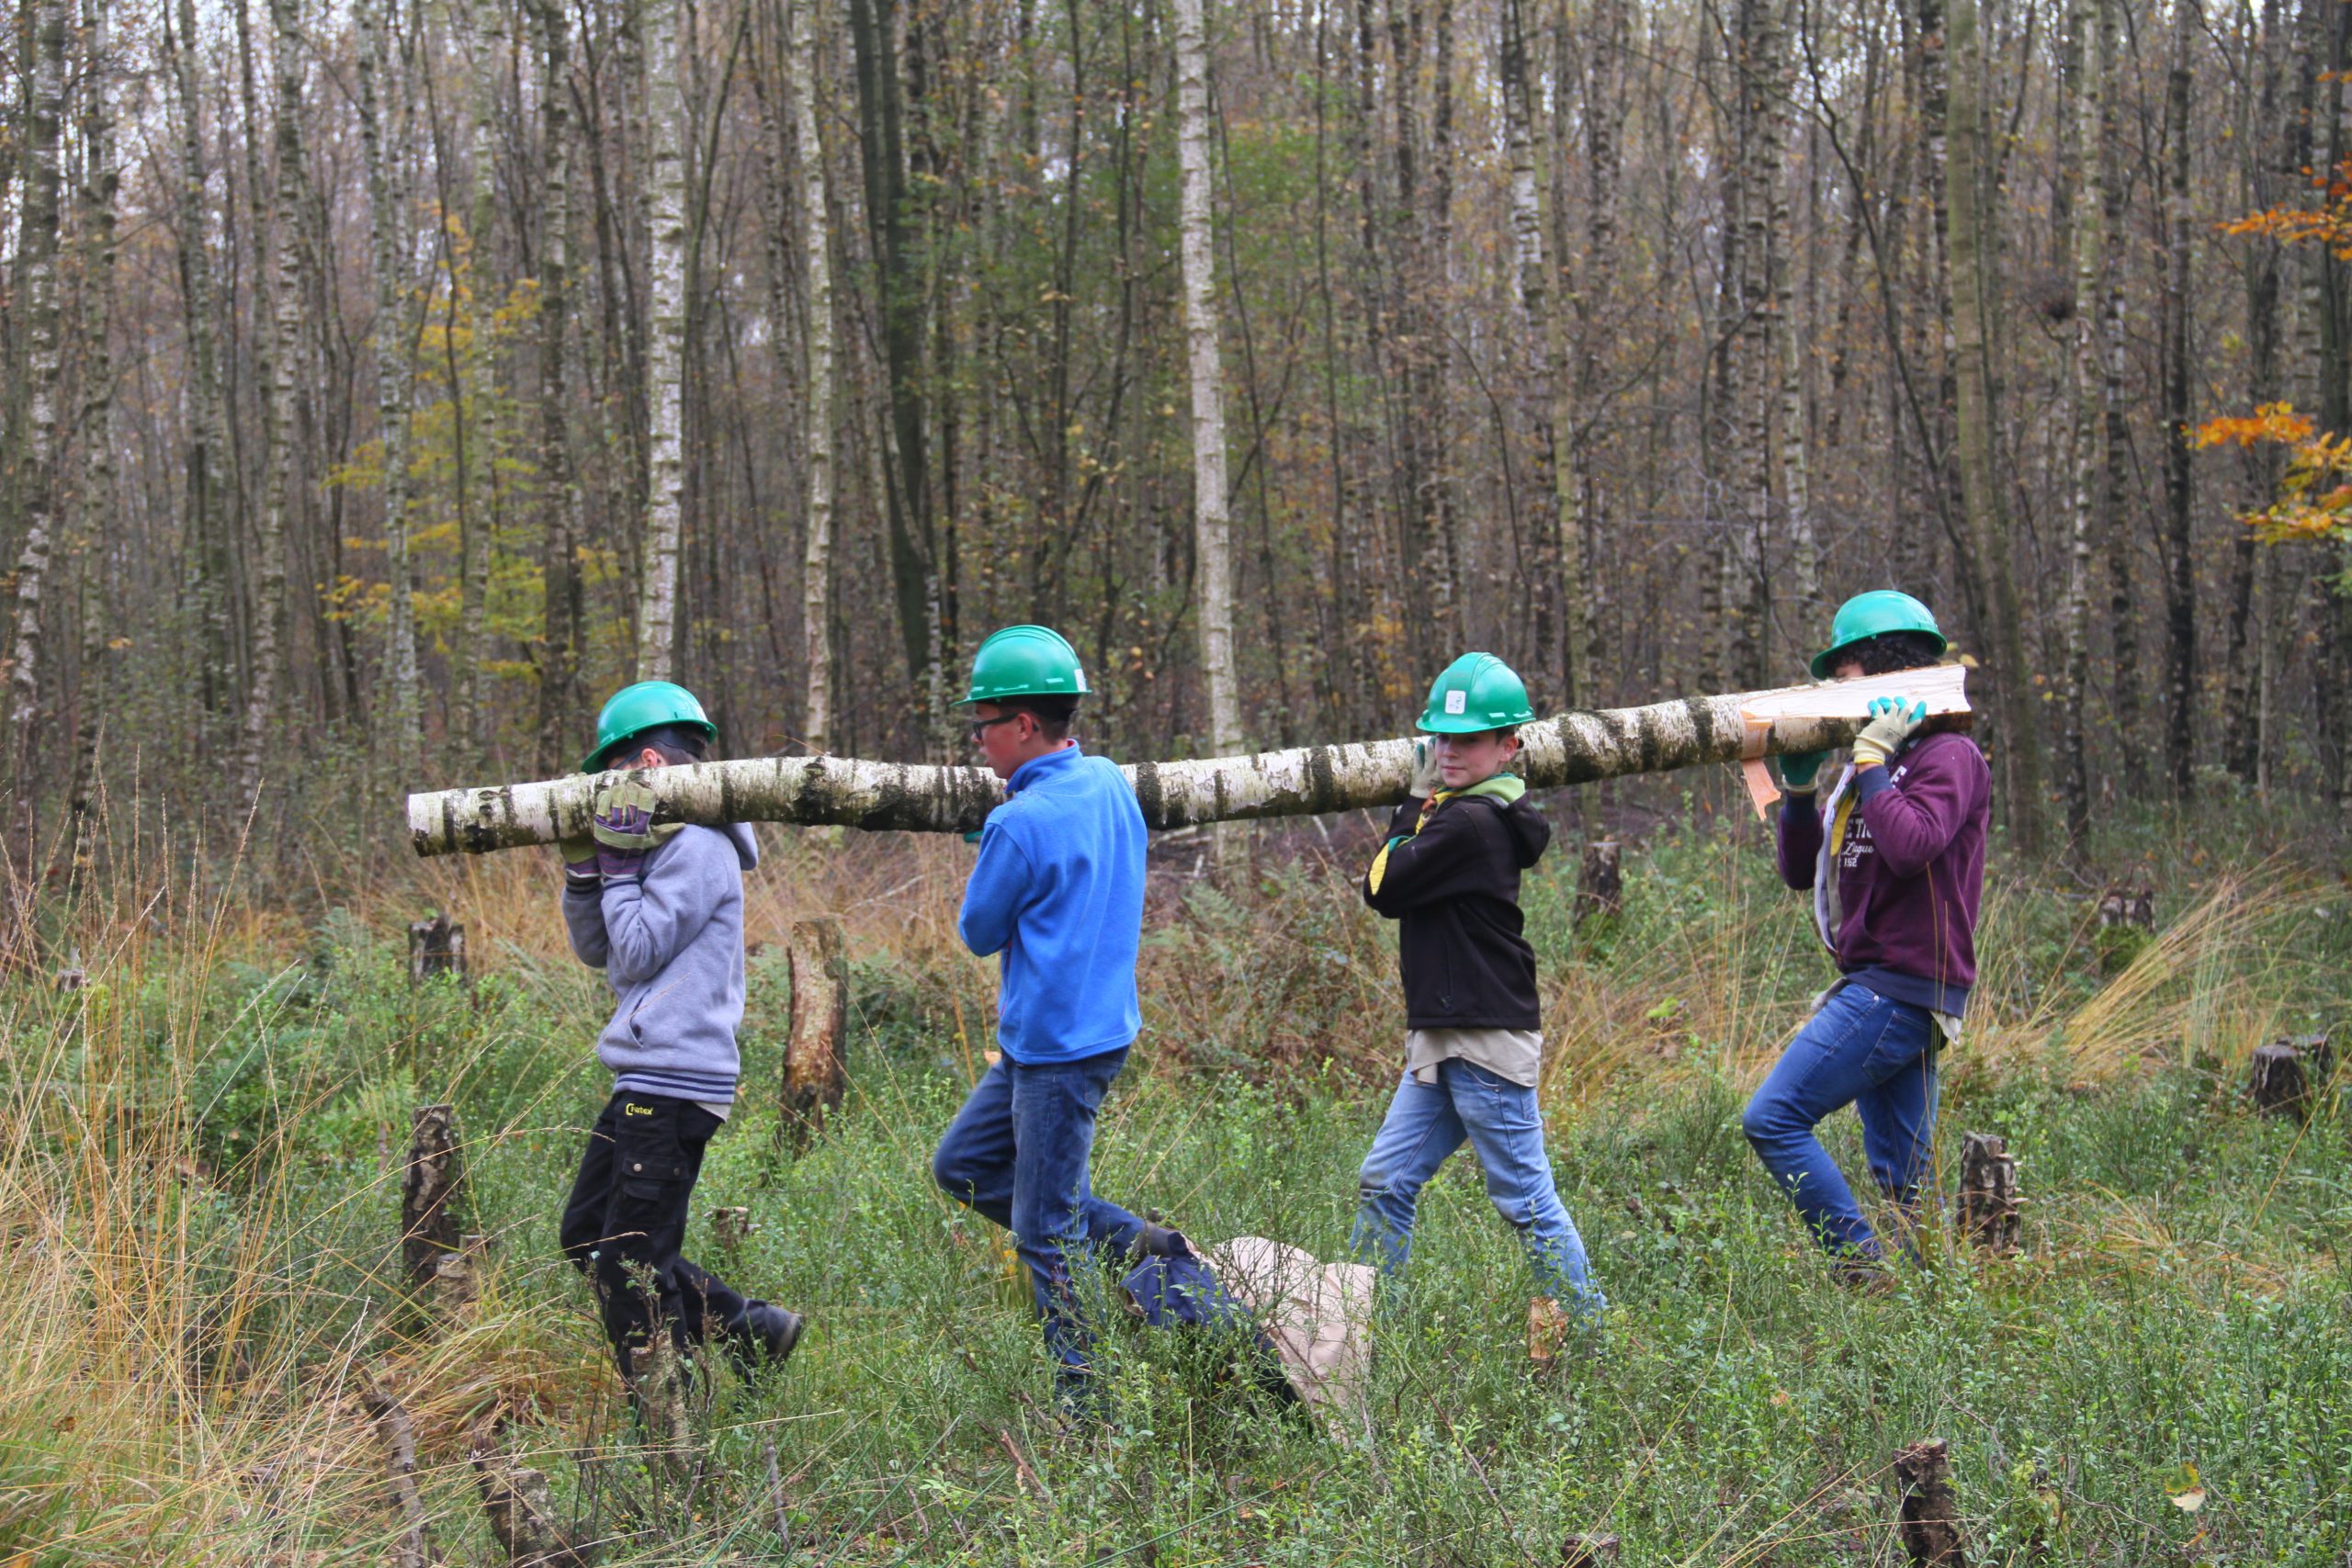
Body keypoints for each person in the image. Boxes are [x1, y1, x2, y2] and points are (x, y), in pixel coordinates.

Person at [928, 626, 1172, 1408]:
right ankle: (1139, 1241)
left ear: (1026, 725)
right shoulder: (1106, 780)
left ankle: (1086, 1403)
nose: (978, 737)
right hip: (1082, 1036)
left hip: (1057, 1053)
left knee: (1044, 1232)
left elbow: (977, 931)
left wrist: (996, 842)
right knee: (960, 1166)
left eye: (986, 721)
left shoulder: (1017, 825)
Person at [1351, 652, 1606, 1354]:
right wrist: (1427, 803)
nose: (1448, 752)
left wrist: (1409, 804)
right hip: (1446, 1034)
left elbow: (1381, 887)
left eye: (1467, 740)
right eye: (1441, 738)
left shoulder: (1465, 824)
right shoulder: (1470, 813)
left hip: (1482, 1037)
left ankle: (1590, 1341)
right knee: (1384, 1180)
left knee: (1526, 1201)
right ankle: (1365, 1334)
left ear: (1509, 746)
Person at [556, 681, 805, 1388]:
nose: (602, 787)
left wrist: (618, 866)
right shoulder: (660, 842)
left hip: (672, 1080)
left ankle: (671, 1424)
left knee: (629, 1266)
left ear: (649, 767)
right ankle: (752, 1328)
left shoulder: (697, 844)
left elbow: (634, 950)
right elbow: (600, 949)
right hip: (646, 1074)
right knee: (586, 1237)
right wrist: (587, 874)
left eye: (609, 772)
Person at [1744, 591, 1991, 1286]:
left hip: (1899, 985)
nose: (1833, 689)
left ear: (1888, 668)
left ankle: (1862, 1268)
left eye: (1844, 671)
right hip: (1879, 982)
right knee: (1906, 1181)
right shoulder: (1865, 767)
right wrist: (1797, 796)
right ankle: (1932, 1306)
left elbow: (1911, 846)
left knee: (1773, 1117)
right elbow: (1801, 872)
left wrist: (1877, 764)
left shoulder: (1950, 756)